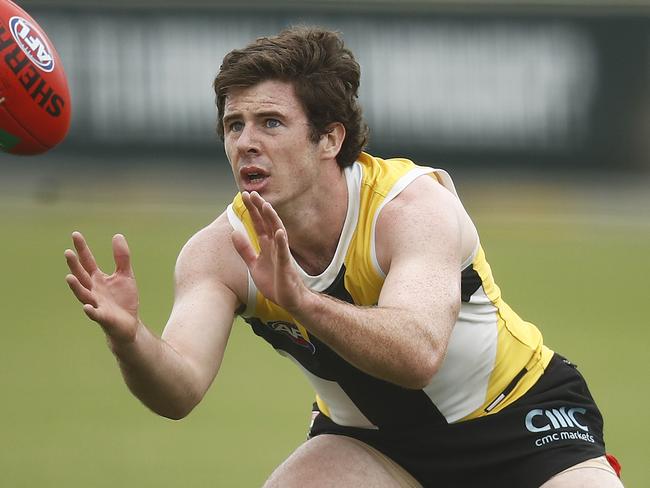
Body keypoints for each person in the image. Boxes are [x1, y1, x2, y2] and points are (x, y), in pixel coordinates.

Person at [64, 26, 623, 487]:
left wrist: (301, 302)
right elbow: (179, 390)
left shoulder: (409, 208)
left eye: (271, 123)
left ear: (330, 139)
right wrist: (130, 339)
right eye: (234, 125)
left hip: (521, 421)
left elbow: (417, 354)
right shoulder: (220, 252)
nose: (245, 142)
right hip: (374, 445)